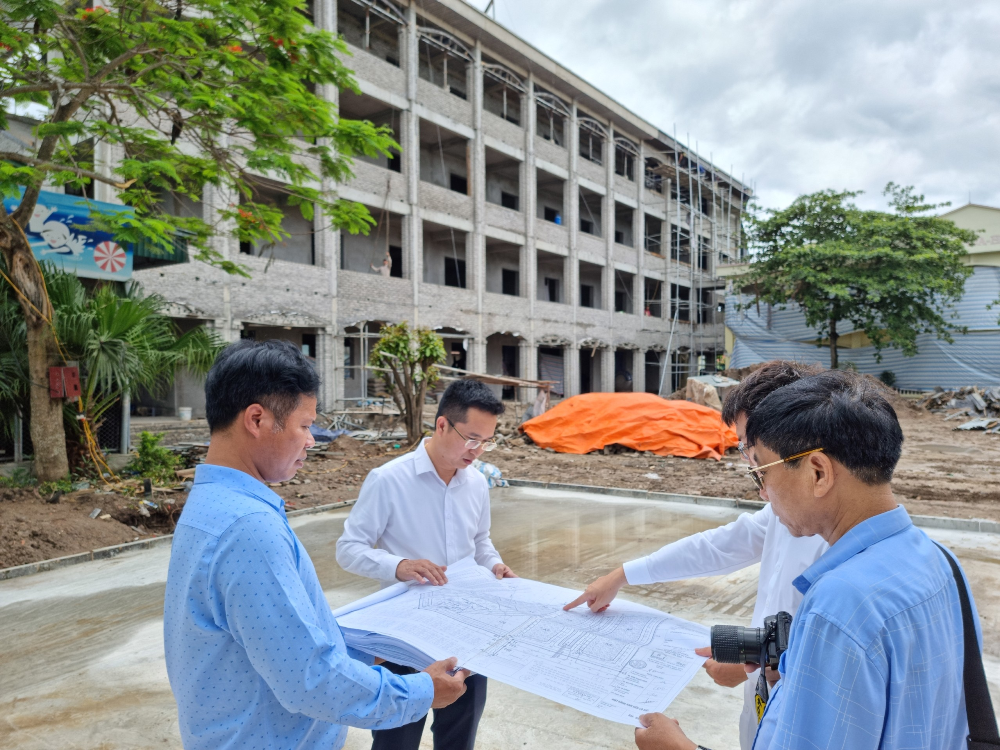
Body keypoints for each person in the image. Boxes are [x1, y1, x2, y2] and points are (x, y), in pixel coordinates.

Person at [633, 370, 984, 750]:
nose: (764, 494)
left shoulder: (837, 607)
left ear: (818, 472)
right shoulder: (943, 563)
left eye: (761, 473)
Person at [163, 339, 469, 750]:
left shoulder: (212, 506)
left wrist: (367, 651)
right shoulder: (249, 528)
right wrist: (422, 692)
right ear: (257, 419)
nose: (311, 441)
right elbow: (310, 680)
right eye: (305, 426)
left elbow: (273, 642)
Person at [566, 361, 828, 750]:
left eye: (751, 450)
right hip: (766, 701)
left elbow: (824, 650)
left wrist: (742, 666)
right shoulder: (787, 509)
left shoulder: (837, 545)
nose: (753, 472)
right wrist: (623, 574)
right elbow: (720, 545)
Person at [337, 379, 515, 750]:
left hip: (466, 632)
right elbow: (348, 548)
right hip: (405, 637)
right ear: (442, 425)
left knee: (459, 735)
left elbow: (480, 542)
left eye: (487, 440)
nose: (478, 450)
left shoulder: (478, 484)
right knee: (396, 741)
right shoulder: (388, 480)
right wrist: (399, 565)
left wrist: (495, 565)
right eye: (471, 438)